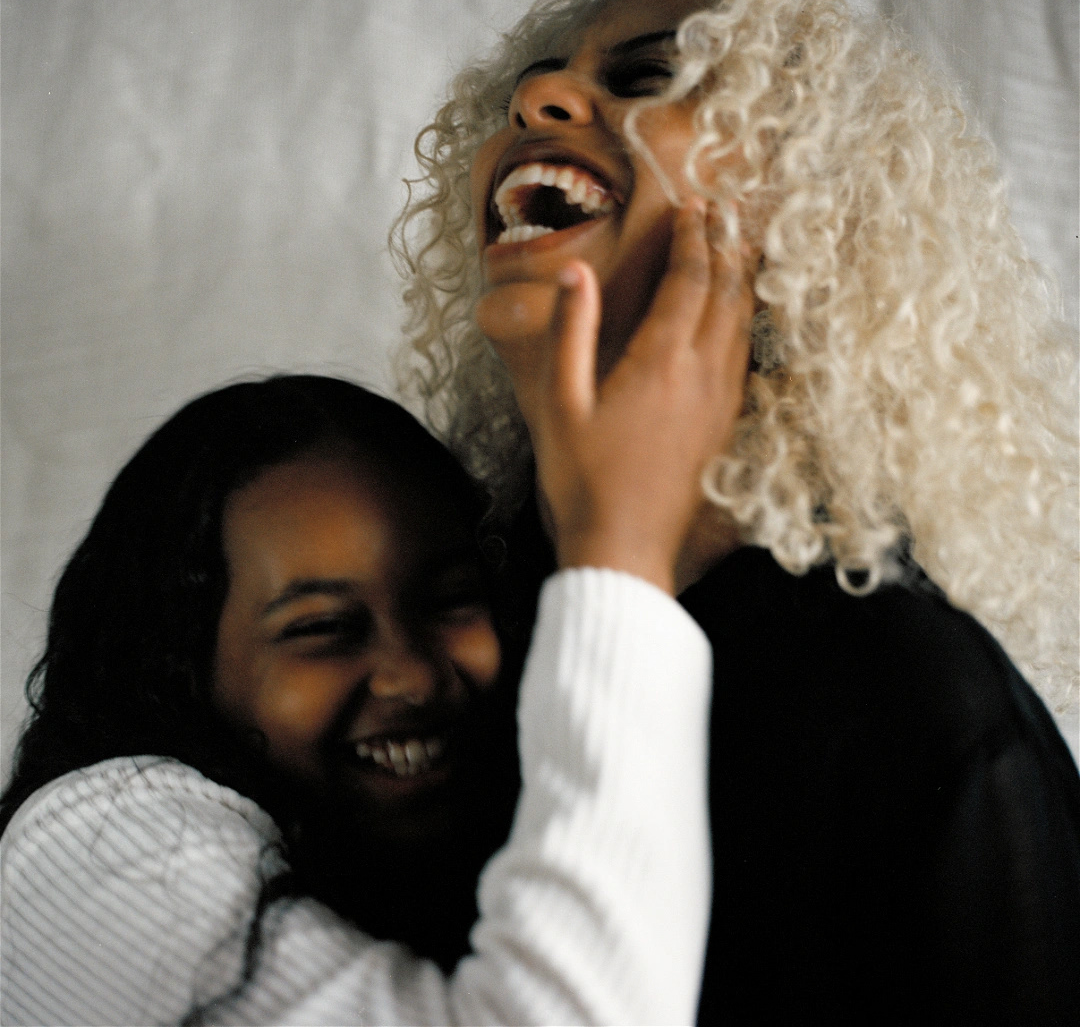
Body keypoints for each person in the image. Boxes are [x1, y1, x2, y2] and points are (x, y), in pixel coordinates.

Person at [394, 0, 1080, 1023]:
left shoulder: (911, 702)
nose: (540, 98)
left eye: (650, 76)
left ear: (810, 208)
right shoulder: (428, 654)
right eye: (530, 86)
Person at [1, 352, 755, 1023]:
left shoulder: (446, 860)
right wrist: (621, 556)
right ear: (176, 664)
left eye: (449, 600)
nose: (413, 675)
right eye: (324, 627)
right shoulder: (91, 849)